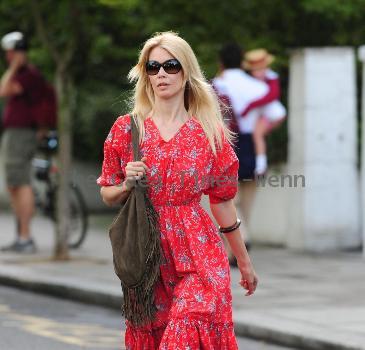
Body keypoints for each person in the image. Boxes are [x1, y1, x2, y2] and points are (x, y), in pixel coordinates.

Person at [97, 32, 258, 349]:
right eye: (152, 67)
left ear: (186, 72)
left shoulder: (209, 134)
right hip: (149, 257)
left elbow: (222, 202)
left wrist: (244, 261)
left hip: (199, 255)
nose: (161, 74)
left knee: (184, 334)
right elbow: (107, 193)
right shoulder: (127, 129)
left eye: (170, 66)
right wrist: (127, 184)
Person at [212, 43, 269, 264]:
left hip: (228, 142)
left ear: (221, 61)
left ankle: (241, 239)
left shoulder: (217, 85)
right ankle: (235, 248)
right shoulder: (259, 87)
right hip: (253, 143)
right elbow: (277, 113)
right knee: (247, 201)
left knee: (228, 199)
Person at [0, 32, 45, 253]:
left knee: (21, 183)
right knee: (14, 184)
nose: (8, 57)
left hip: (20, 134)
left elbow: (3, 89)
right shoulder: (25, 74)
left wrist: (14, 67)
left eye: (10, 53)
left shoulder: (27, 75)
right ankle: (21, 235)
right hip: (15, 134)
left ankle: (25, 238)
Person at [242, 48, 287, 175]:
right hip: (265, 115)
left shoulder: (272, 78)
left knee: (257, 135)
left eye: (262, 69)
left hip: (274, 115)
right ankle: (261, 164)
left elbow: (272, 95)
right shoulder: (251, 81)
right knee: (257, 135)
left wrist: (250, 106)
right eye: (256, 70)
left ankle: (261, 166)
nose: (259, 72)